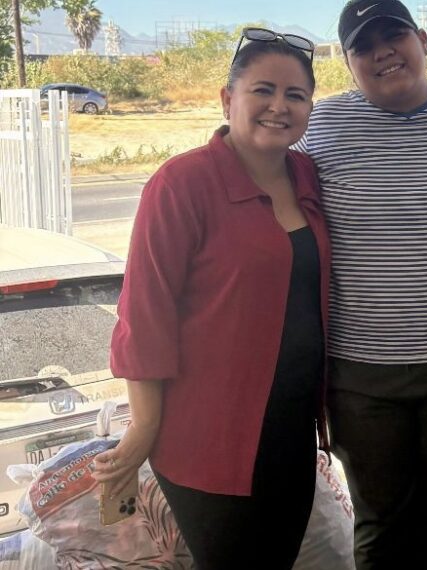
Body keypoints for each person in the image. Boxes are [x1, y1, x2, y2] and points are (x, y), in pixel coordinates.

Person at [91, 28, 329, 570]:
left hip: (290, 432)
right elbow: (143, 317)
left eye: (296, 95)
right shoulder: (182, 184)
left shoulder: (307, 175)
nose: (279, 106)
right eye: (262, 90)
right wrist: (143, 427)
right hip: (209, 439)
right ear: (228, 99)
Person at [295, 1, 427, 567]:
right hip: (361, 375)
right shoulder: (318, 128)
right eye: (364, 46)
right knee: (382, 523)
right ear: (347, 62)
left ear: (422, 39)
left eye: (394, 36)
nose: (383, 52)